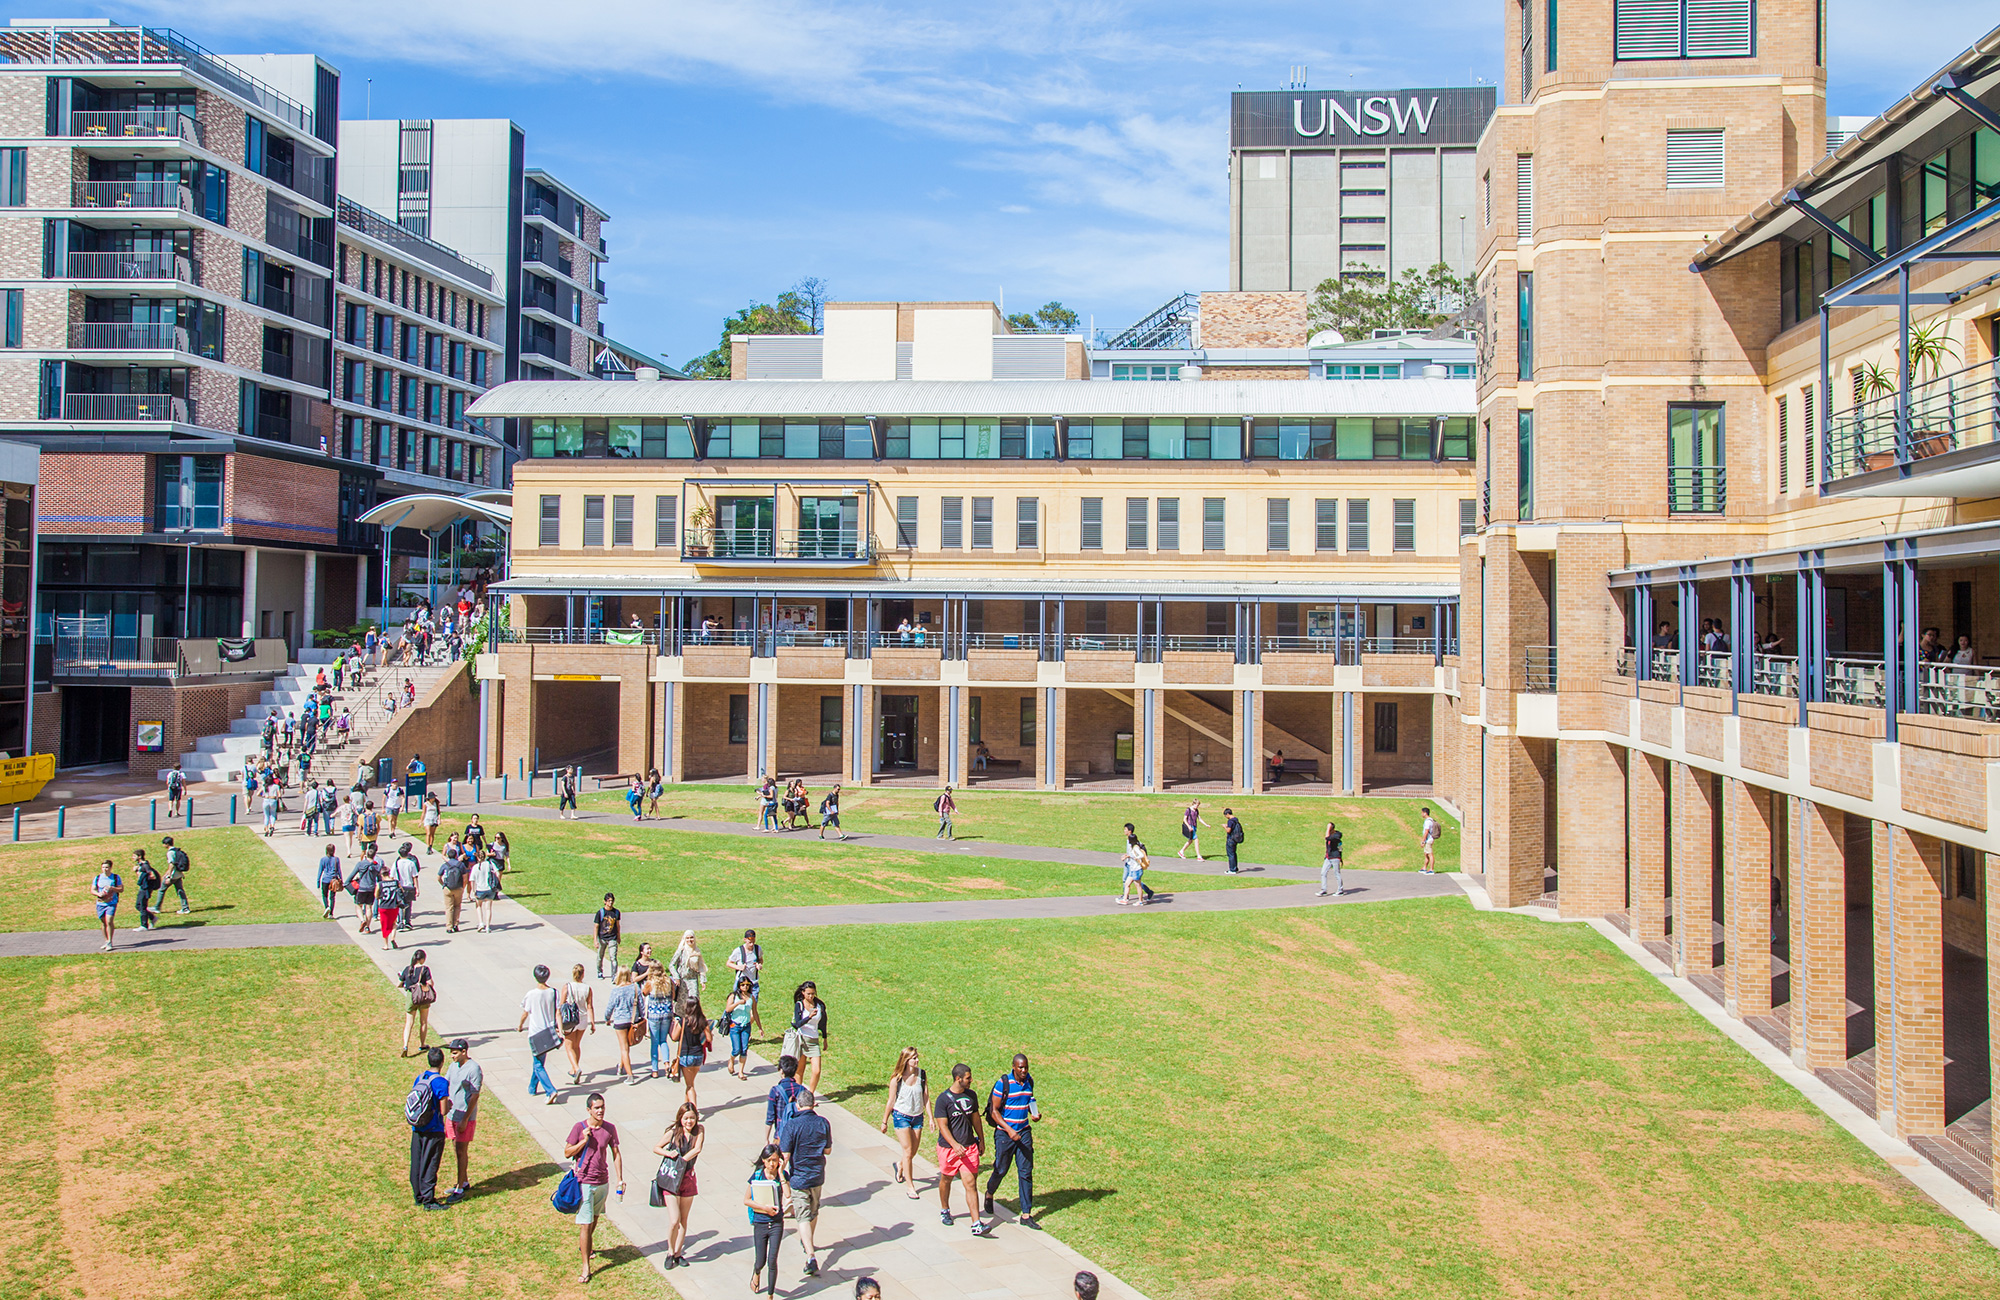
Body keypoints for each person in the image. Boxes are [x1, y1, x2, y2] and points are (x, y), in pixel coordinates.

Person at [563, 1093, 624, 1284]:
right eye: (596, 1108)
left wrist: (620, 1179)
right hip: (585, 1182)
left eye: (602, 1107)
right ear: (588, 1109)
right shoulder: (579, 1128)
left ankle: (587, 1247)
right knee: (585, 1223)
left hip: (602, 1182)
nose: (600, 1111)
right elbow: (566, 1152)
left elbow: (616, 1153)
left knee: (595, 1219)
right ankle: (585, 1267)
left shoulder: (610, 1129)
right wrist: (583, 1141)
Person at [778, 1089, 834, 1278]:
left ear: (797, 1105)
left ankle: (810, 1254)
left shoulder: (792, 1125)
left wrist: (779, 1174)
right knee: (814, 1210)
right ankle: (808, 1241)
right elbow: (828, 1150)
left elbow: (784, 1155)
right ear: (813, 1104)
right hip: (818, 1175)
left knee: (801, 1216)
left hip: (799, 1177)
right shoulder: (823, 1123)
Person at [985, 1053, 1043, 1227]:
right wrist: (1009, 1130)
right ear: (1014, 1067)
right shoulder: (1003, 1083)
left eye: (1026, 1067)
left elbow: (1030, 1098)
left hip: (1023, 1132)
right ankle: (989, 1193)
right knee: (1001, 1169)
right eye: (1021, 1068)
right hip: (1005, 1133)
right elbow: (994, 1111)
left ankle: (1026, 1215)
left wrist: (1034, 1113)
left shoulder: (1029, 1081)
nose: (1024, 1070)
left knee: (1025, 1172)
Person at [935, 1063, 992, 1234]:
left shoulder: (971, 1096)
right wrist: (954, 1144)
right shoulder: (943, 1099)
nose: (971, 1080)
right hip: (949, 1149)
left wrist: (981, 1140)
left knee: (970, 1183)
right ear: (958, 1079)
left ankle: (976, 1223)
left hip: (969, 1148)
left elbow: (976, 1118)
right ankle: (945, 1209)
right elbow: (942, 1126)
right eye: (968, 1078)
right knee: (946, 1179)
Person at [653, 1102, 704, 1269]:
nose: (689, 1121)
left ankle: (678, 1252)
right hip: (672, 1179)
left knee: (683, 1220)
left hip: (688, 1178)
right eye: (686, 1118)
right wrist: (669, 1153)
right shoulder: (674, 1132)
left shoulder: (700, 1131)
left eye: (692, 1118)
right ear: (680, 1118)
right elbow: (656, 1147)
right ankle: (669, 1251)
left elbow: (697, 1149)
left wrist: (682, 1160)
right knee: (674, 1220)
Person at [880, 1046, 927, 1198]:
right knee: (907, 1151)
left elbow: (926, 1097)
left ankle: (900, 1165)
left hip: (917, 1116)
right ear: (906, 1060)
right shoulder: (897, 1079)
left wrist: (931, 1118)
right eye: (914, 1058)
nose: (917, 1060)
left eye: (917, 1057)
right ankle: (910, 1186)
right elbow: (891, 1100)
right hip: (901, 1116)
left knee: (913, 1151)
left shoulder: (922, 1075)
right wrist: (884, 1121)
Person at [408, 1045, 451, 1211]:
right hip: (433, 1130)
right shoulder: (440, 1082)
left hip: (418, 1127)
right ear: (442, 1063)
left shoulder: (420, 1078)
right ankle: (429, 1199)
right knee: (431, 1162)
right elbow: (443, 1110)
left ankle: (418, 1195)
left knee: (417, 1162)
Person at [745, 1144, 789, 1297]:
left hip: (776, 1223)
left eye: (775, 1160)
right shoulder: (757, 1176)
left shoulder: (782, 1175)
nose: (772, 1164)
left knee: (772, 1261)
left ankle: (770, 1295)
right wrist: (764, 1208)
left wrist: (782, 1175)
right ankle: (756, 1272)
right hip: (761, 1222)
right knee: (760, 1261)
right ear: (763, 1160)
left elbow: (788, 1195)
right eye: (769, 1160)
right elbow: (747, 1200)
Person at [443, 1038, 482, 1201]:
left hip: (464, 1117)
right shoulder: (453, 1066)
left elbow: (474, 1096)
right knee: (455, 1148)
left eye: (455, 1053)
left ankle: (459, 1188)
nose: (452, 1056)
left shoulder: (474, 1069)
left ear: (464, 1052)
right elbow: (446, 1083)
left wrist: (465, 1119)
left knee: (461, 1150)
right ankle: (463, 1180)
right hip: (452, 1115)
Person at [519, 964, 562, 1105]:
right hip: (549, 1032)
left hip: (536, 1033)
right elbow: (557, 1013)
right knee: (539, 1061)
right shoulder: (554, 992)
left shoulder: (531, 994)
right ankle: (532, 1087)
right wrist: (560, 1030)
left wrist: (520, 1026)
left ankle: (550, 1090)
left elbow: (525, 1013)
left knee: (538, 1064)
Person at [671, 996, 713, 1108]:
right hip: (698, 1055)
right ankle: (686, 1107)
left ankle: (693, 1109)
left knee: (690, 1086)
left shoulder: (683, 1021)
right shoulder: (702, 1021)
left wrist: (675, 1025)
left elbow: (674, 1037)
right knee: (690, 1083)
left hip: (686, 1055)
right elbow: (709, 1038)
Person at [791, 980, 829, 1096]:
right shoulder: (799, 1005)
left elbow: (823, 1022)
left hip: (813, 1040)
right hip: (802, 1039)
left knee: (816, 1070)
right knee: (800, 1070)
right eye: (808, 994)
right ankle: (798, 1095)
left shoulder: (819, 1005)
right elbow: (797, 1024)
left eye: (813, 993)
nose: (811, 996)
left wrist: (825, 1038)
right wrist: (809, 1017)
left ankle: (810, 1094)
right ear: (803, 993)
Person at [604, 967, 641, 1085]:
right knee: (626, 1046)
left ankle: (630, 1075)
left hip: (620, 1020)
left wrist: (607, 1018)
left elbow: (610, 1007)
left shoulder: (616, 990)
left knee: (624, 1048)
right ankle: (621, 1065)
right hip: (632, 1019)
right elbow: (640, 1004)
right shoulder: (635, 987)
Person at [561, 963, 596, 1084]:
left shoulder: (567, 986)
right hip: (583, 1019)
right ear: (583, 974)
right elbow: (590, 1006)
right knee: (577, 1045)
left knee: (569, 1046)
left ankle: (576, 1068)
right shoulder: (587, 988)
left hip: (571, 1019)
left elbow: (562, 1005)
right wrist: (592, 1022)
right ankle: (574, 1068)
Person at [641, 968, 678, 1079]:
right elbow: (673, 996)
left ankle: (655, 1070)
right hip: (666, 1014)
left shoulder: (650, 983)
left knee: (654, 1042)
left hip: (654, 1016)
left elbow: (644, 992)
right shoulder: (669, 981)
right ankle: (666, 1063)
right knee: (663, 1040)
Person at [398, 949, 437, 1056]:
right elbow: (430, 983)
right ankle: (422, 1044)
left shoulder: (408, 969)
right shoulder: (425, 969)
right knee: (423, 1022)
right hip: (423, 996)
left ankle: (405, 1045)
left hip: (411, 996)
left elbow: (399, 983)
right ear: (423, 959)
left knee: (409, 1023)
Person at [727, 929, 764, 1033]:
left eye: (753, 941)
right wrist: (739, 967)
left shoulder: (757, 949)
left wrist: (759, 965)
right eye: (749, 941)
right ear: (744, 940)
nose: (751, 944)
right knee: (736, 1007)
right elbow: (729, 963)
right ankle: (730, 1026)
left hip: (754, 983)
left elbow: (760, 959)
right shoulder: (739, 951)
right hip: (741, 984)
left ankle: (746, 1029)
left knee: (753, 1008)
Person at [764, 1055, 807, 1144]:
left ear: (781, 1071)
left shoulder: (775, 1091)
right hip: (798, 1135)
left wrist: (766, 1139)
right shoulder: (802, 1089)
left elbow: (770, 1117)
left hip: (781, 1134)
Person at [723, 976, 756, 1079]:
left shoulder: (751, 997)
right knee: (736, 1049)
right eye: (742, 985)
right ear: (739, 985)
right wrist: (737, 1003)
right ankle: (732, 1060)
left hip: (746, 1025)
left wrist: (759, 1027)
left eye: (747, 985)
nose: (745, 987)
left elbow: (755, 1012)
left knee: (744, 1049)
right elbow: (728, 1009)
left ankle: (741, 1072)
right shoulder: (734, 996)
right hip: (735, 1025)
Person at [90, 858, 122, 951]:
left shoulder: (115, 877)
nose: (105, 869)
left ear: (111, 868)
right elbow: (92, 889)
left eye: (107, 867)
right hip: (100, 903)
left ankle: (110, 942)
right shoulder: (98, 878)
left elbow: (121, 889)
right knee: (103, 922)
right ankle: (106, 940)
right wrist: (98, 894)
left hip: (111, 903)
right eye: (103, 867)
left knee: (109, 921)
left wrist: (112, 888)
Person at [348, 847, 381, 935]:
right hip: (371, 888)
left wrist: (346, 883)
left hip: (362, 888)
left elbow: (352, 874)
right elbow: (379, 878)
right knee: (369, 907)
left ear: (366, 855)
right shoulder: (376, 865)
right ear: (374, 856)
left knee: (358, 905)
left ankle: (362, 920)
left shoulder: (361, 864)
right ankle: (367, 927)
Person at [392, 842, 422, 933]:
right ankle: (408, 921)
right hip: (409, 885)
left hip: (399, 886)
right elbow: (415, 876)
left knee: (400, 904)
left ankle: (400, 922)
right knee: (409, 904)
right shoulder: (411, 863)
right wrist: (417, 887)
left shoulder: (396, 863)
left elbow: (392, 875)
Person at [158, 836, 192, 915]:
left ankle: (157, 907)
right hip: (179, 874)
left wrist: (168, 876)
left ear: (166, 844)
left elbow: (172, 864)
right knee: (180, 891)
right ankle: (185, 908)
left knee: (161, 890)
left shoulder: (170, 853)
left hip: (173, 875)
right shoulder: (177, 851)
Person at [670, 929, 708, 995]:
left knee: (693, 1000)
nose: (689, 940)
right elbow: (671, 965)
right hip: (682, 980)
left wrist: (702, 981)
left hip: (693, 979)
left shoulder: (697, 951)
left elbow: (701, 967)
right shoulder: (681, 950)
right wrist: (676, 977)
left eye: (691, 938)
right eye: (687, 938)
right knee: (682, 1002)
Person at [593, 893, 621, 978]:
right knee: (600, 956)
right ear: (605, 902)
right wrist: (595, 940)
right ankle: (599, 971)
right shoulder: (600, 913)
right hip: (602, 938)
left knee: (613, 957)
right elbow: (596, 926)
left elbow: (617, 925)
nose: (610, 903)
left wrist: (618, 936)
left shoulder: (616, 912)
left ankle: (614, 975)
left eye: (612, 901)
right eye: (608, 901)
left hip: (612, 937)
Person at [133, 850, 161, 931]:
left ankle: (144, 925)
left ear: (139, 856)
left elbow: (152, 875)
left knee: (142, 905)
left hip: (146, 888)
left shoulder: (145, 865)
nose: (132, 858)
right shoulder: (140, 865)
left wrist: (147, 882)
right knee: (138, 905)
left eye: (134, 856)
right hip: (143, 887)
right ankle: (152, 917)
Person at [316, 843, 343, 918]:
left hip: (325, 879)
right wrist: (341, 880)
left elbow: (320, 871)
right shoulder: (336, 859)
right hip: (333, 880)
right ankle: (331, 913)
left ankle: (326, 907)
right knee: (332, 897)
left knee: (324, 895)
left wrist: (318, 881)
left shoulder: (323, 859)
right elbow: (339, 870)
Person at [1321, 821, 1345, 896]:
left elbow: (1328, 838)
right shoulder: (1330, 835)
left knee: (1336, 873)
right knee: (1323, 873)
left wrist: (1340, 858)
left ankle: (1340, 890)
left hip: (1335, 857)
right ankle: (1324, 889)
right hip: (1328, 857)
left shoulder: (1337, 835)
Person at [1222, 806, 1244, 874]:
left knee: (1230, 854)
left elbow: (1228, 830)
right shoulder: (1235, 819)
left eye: (1226, 815)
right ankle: (1235, 867)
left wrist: (1225, 827)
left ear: (1227, 814)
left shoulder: (1230, 821)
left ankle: (1232, 869)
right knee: (1234, 854)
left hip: (1231, 839)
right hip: (1235, 839)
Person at [1420, 807, 1441, 875]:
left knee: (1430, 854)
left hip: (1429, 840)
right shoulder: (1430, 820)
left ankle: (1431, 869)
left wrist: (1423, 841)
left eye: (1422, 813)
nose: (1421, 814)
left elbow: (1426, 832)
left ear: (1425, 813)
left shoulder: (1428, 822)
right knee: (1426, 854)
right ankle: (1424, 868)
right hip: (1428, 840)